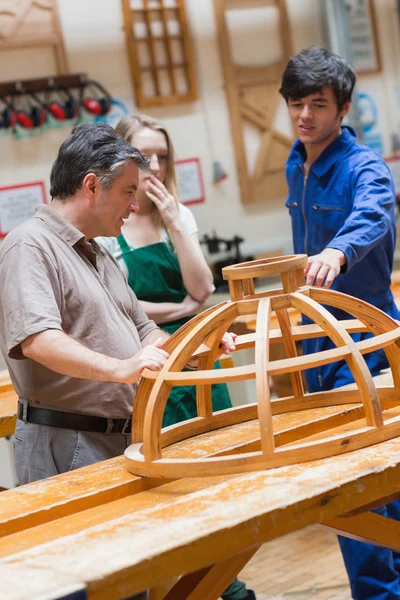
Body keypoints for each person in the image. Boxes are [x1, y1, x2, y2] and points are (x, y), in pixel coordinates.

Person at [97, 114, 255, 600]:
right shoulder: (109, 227)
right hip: (149, 362)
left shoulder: (176, 215)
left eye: (163, 156)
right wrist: (182, 309)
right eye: (146, 156)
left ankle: (221, 579)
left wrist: (173, 223)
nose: (156, 167)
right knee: (166, 479)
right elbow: (119, 303)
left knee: (215, 464)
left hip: (199, 356)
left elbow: (203, 288)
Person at [280, 46, 400, 600]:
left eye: (318, 105)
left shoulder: (363, 166)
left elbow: (374, 211)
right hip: (317, 339)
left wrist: (339, 252)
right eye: (296, 103)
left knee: (368, 476)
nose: (305, 115)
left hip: (368, 336)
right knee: (345, 476)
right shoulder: (294, 161)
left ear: (344, 108)